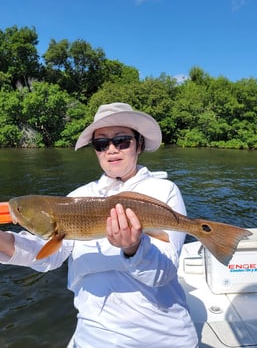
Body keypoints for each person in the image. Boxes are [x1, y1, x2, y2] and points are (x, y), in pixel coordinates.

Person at [0, 102, 199, 347]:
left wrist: (134, 248)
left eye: (122, 140)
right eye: (101, 144)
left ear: (139, 144)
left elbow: (164, 272)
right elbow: (49, 255)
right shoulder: (78, 197)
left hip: (159, 337)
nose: (111, 149)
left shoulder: (163, 191)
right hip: (93, 337)